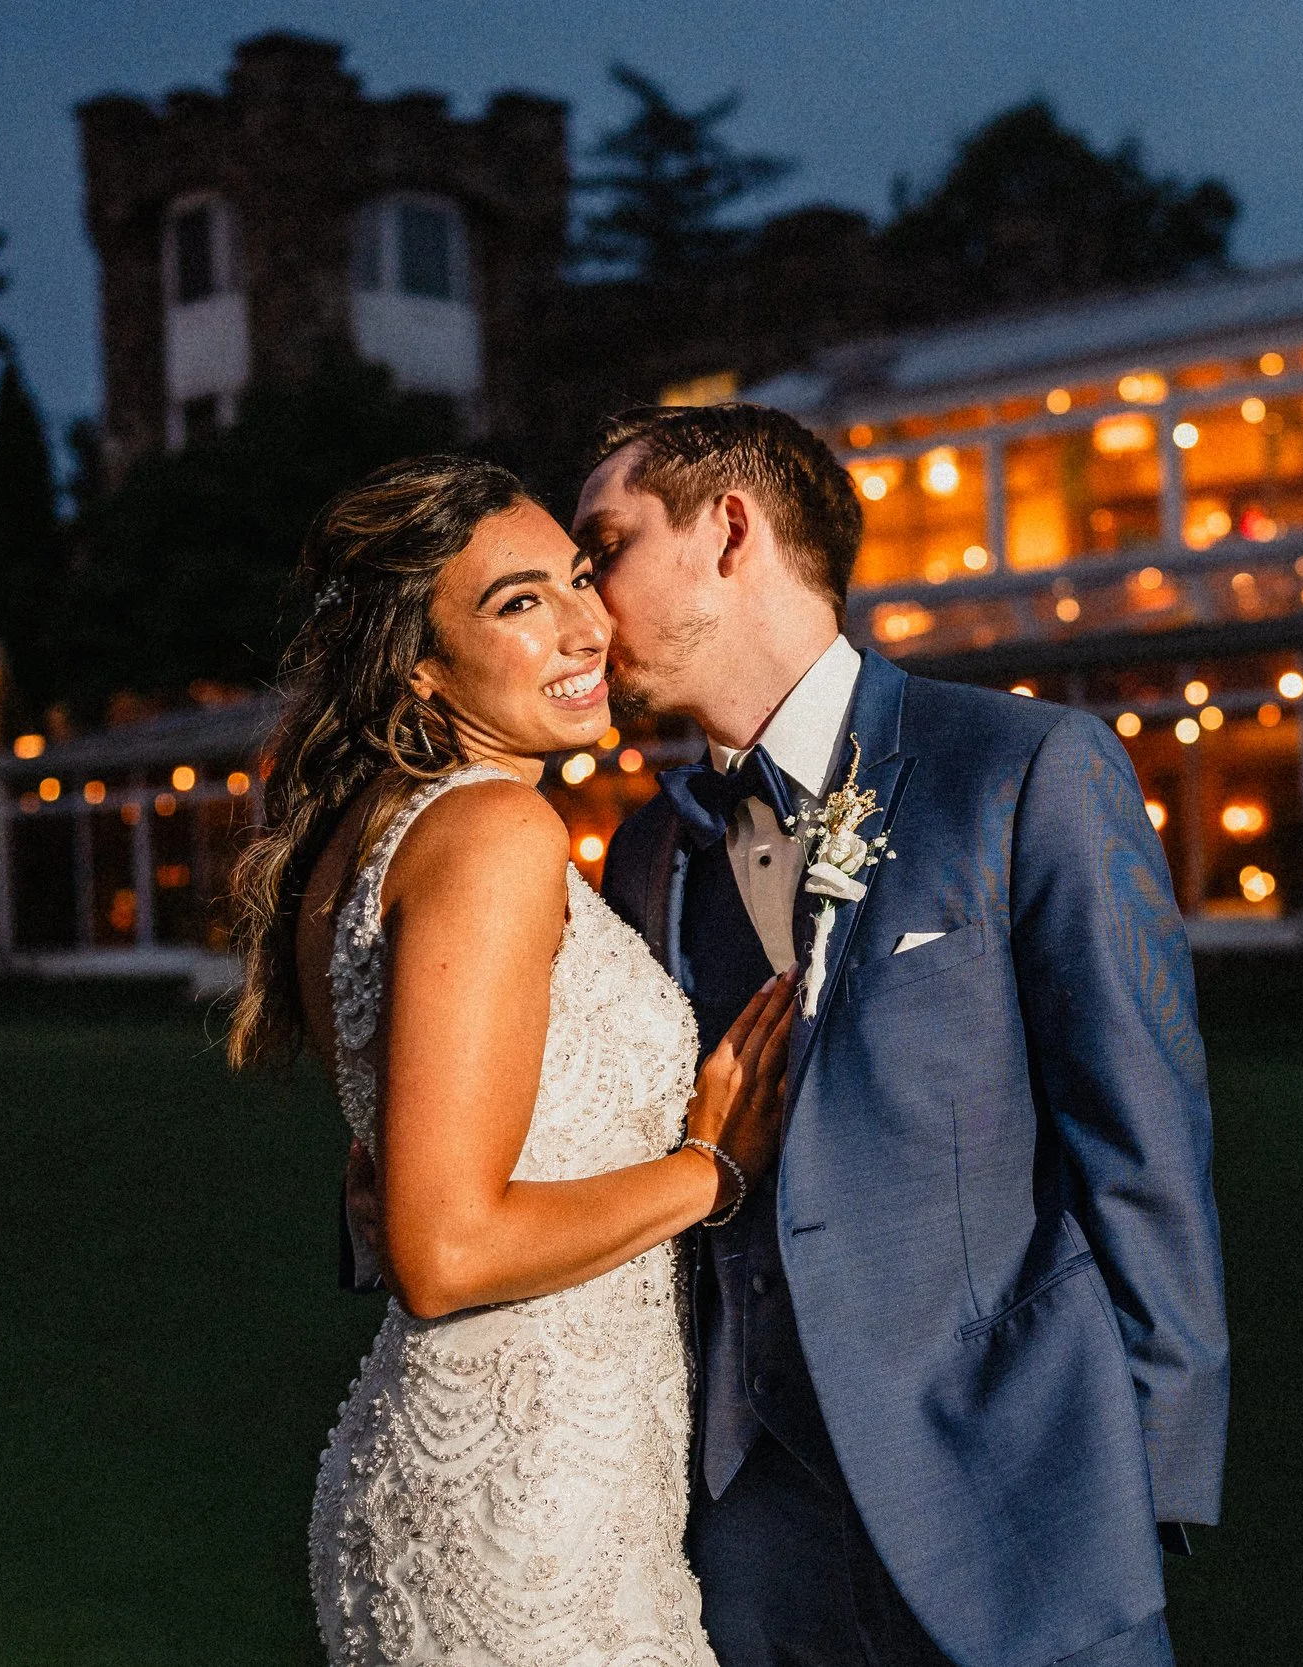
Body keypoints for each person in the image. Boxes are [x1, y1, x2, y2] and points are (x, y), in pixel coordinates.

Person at [577, 403, 1228, 1667]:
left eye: (606, 546)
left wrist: (1147, 1475)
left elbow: (1142, 1138)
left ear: (727, 530)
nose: (586, 600)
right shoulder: (649, 847)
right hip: (748, 1534)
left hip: (1019, 1495)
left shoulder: (1023, 767)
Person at [225, 455, 794, 1666]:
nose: (587, 622)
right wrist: (713, 1168)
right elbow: (442, 1251)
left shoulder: (378, 825)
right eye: (519, 601)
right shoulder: (492, 828)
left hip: (518, 1455)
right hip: (529, 1496)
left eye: (579, 579)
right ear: (420, 667)